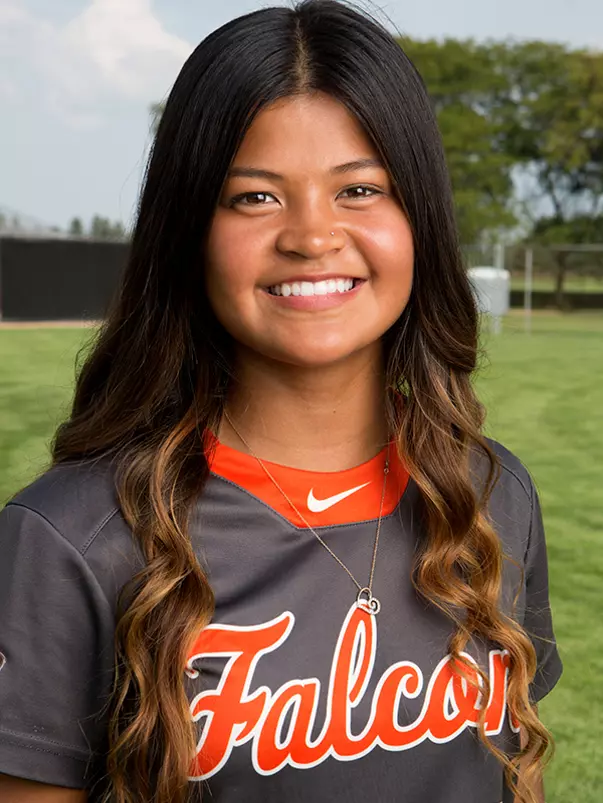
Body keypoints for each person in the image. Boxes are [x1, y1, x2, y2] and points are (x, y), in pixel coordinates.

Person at [0, 1, 562, 801]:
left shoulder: (491, 495)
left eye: (360, 189)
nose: (310, 234)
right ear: (188, 231)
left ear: (421, 221)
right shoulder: (73, 540)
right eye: (255, 197)